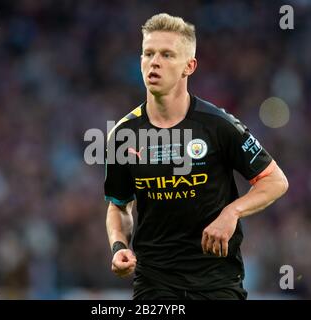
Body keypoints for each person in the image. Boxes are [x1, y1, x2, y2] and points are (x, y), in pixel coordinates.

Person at [104, 13, 289, 300]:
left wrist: (231, 213)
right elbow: (119, 206)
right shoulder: (123, 134)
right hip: (155, 284)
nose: (154, 62)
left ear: (188, 66)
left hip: (217, 283)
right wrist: (118, 246)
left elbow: (275, 181)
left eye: (167, 55)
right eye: (148, 53)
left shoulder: (218, 125)